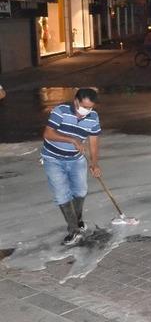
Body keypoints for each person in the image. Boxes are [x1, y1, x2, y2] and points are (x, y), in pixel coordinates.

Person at [41, 88, 102, 245]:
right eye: (84, 107)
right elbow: (48, 134)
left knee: (81, 191)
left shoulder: (93, 117)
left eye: (90, 107)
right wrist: (72, 140)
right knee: (62, 194)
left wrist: (94, 164)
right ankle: (74, 230)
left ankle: (77, 219)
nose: (87, 111)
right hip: (52, 159)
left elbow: (93, 142)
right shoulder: (60, 111)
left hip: (76, 159)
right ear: (76, 101)